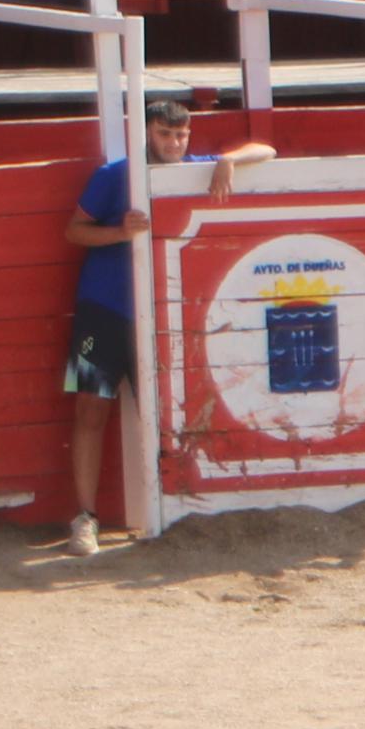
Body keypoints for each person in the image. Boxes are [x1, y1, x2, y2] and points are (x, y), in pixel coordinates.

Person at [57, 94, 265, 556]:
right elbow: (75, 231)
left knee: (175, 412)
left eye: (181, 134)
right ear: (146, 133)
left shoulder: (194, 167)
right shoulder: (116, 175)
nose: (174, 143)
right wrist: (119, 232)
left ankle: (180, 511)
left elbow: (266, 150)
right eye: (165, 134)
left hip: (164, 313)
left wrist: (227, 160)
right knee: (91, 408)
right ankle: (86, 518)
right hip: (104, 307)